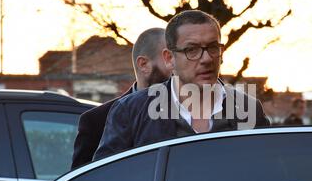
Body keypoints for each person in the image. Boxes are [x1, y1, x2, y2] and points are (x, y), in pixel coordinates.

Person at [93, 10, 270, 161]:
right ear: (169, 58)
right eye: (191, 50)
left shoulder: (248, 109)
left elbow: (267, 177)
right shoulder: (131, 111)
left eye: (213, 48)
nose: (207, 59)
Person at [71, 27, 171, 169]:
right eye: (168, 58)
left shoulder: (190, 111)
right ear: (143, 64)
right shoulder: (96, 120)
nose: (177, 66)